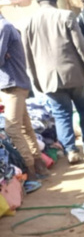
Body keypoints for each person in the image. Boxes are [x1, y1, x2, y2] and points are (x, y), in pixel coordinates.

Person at [22, 0, 84, 164]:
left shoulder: (28, 23)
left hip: (48, 79)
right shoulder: (66, 15)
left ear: (38, 1)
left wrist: (36, 81)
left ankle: (71, 150)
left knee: (61, 114)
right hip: (75, 74)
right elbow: (80, 44)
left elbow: (28, 57)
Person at [0, 13, 47, 179]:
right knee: (25, 127)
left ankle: (30, 169)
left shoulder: (3, 27)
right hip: (14, 84)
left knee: (12, 128)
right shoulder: (7, 26)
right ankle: (39, 165)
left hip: (13, 85)